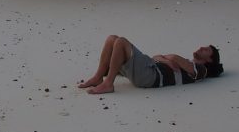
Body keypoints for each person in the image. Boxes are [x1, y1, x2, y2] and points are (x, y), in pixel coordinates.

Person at [77, 35, 223, 94]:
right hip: (150, 68)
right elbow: (157, 57)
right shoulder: (188, 62)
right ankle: (98, 78)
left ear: (209, 60)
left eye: (206, 50)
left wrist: (169, 58)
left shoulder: (201, 70)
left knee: (121, 41)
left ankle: (109, 83)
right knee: (112, 39)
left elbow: (173, 57)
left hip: (151, 77)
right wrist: (166, 60)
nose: (201, 48)